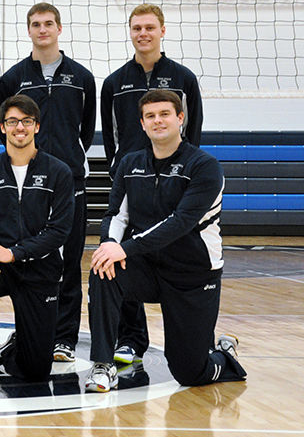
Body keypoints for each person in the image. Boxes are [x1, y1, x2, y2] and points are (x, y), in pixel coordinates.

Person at [86, 89, 246, 392]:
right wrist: (108, 244)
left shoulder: (204, 166)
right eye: (150, 116)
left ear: (180, 119)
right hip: (147, 268)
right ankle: (103, 365)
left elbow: (180, 223)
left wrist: (124, 247)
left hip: (192, 274)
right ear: (142, 124)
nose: (157, 121)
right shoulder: (130, 163)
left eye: (164, 114)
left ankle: (223, 354)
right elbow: (116, 214)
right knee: (103, 269)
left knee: (191, 372)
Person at [100, 3, 204, 366]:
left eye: (149, 27)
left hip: (175, 179)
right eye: (136, 28)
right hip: (133, 180)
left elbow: (193, 133)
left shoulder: (184, 78)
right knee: (119, 253)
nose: (142, 34)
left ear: (162, 31)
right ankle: (131, 339)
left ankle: (191, 332)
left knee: (172, 245)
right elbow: (110, 136)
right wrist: (120, 169)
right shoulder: (114, 83)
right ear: (130, 33)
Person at [0, 3, 95, 363]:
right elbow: (4, 125)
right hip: (26, 184)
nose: (43, 30)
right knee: (28, 262)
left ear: (59, 28)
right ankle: (30, 331)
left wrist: (66, 158)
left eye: (49, 23)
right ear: (29, 30)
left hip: (69, 181)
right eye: (36, 24)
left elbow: (84, 129)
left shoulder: (82, 78)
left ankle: (64, 338)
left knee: (69, 263)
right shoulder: (12, 78)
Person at [0, 95, 75, 390]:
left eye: (26, 121)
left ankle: (13, 349)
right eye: (12, 121)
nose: (19, 127)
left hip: (40, 268)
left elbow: (58, 232)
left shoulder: (58, 172)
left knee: (35, 371)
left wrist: (12, 253)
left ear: (36, 126)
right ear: (2, 127)